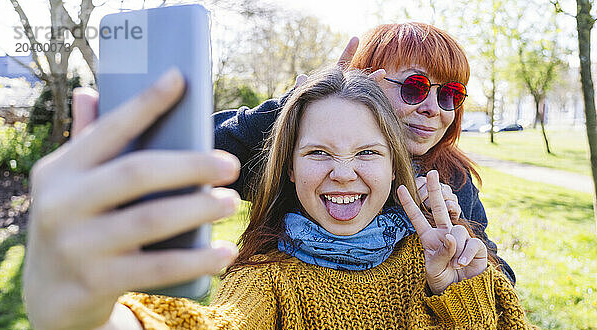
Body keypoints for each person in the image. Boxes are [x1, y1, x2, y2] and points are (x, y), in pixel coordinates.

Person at [24, 66, 560, 330]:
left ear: (397, 165)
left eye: (367, 153)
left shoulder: (458, 266)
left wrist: (456, 302)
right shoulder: (267, 282)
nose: (343, 173)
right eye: (318, 153)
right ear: (289, 169)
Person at [213, 22, 516, 285]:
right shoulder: (308, 160)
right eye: (415, 87)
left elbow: (501, 287)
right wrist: (297, 108)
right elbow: (193, 156)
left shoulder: (452, 180)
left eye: (450, 93)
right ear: (366, 83)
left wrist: (457, 235)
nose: (433, 108)